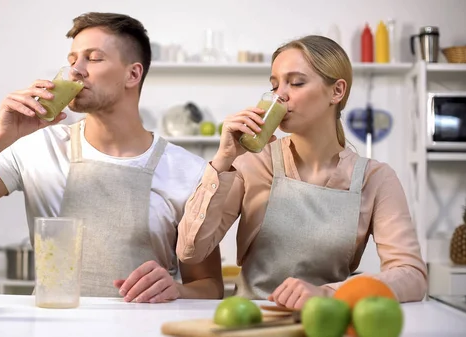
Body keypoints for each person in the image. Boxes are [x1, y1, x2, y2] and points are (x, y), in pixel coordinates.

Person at [0, 12, 223, 303]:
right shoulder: (37, 147)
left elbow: (210, 285)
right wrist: (0, 135)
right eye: (72, 60)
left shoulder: (189, 172)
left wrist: (179, 290)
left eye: (94, 58)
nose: (76, 70)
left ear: (133, 74)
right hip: (54, 325)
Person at [176, 35, 427, 309]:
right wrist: (222, 160)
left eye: (296, 83)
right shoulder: (252, 163)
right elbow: (190, 251)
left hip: (326, 322)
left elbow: (412, 276)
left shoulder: (375, 178)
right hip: (250, 322)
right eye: (274, 85)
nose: (280, 94)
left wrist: (330, 294)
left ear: (337, 91)